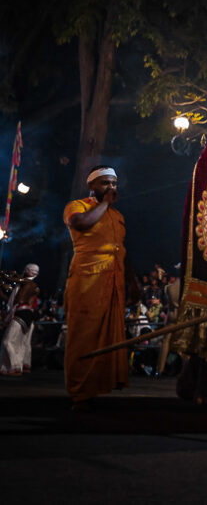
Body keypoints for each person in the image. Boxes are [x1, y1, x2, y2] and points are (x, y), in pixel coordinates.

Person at [63, 165, 136, 410]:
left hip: (113, 281)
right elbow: (81, 224)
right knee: (83, 335)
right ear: (92, 186)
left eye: (114, 184)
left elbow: (122, 251)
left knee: (107, 337)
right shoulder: (78, 206)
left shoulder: (117, 216)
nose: (111, 188)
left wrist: (133, 282)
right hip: (87, 280)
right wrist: (104, 204)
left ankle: (97, 387)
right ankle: (79, 392)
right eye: (106, 183)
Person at [0, 264, 40, 376]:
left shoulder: (28, 282)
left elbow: (14, 280)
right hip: (25, 314)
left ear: (27, 271)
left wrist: (4, 274)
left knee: (8, 341)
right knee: (20, 343)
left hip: (21, 314)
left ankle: (16, 366)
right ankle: (16, 366)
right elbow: (15, 292)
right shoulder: (30, 285)